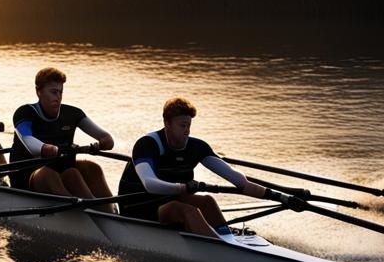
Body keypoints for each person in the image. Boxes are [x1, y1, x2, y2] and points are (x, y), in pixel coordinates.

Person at [117, 97, 279, 238]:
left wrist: (281, 197)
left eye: (188, 125)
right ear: (167, 124)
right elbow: (149, 184)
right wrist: (182, 187)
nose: (187, 131)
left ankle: (228, 241)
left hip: (169, 202)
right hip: (136, 208)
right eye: (182, 126)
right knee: (187, 210)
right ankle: (220, 249)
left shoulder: (196, 147)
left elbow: (238, 179)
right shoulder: (147, 145)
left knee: (207, 201)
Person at [9, 67, 115, 208]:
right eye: (53, 92)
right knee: (49, 174)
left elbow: (106, 138)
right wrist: (47, 148)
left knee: (91, 169)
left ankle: (108, 209)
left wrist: (103, 143)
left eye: (60, 92)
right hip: (27, 176)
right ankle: (84, 210)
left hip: (62, 171)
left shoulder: (73, 113)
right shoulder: (24, 113)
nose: (57, 97)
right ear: (38, 92)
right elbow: (28, 141)